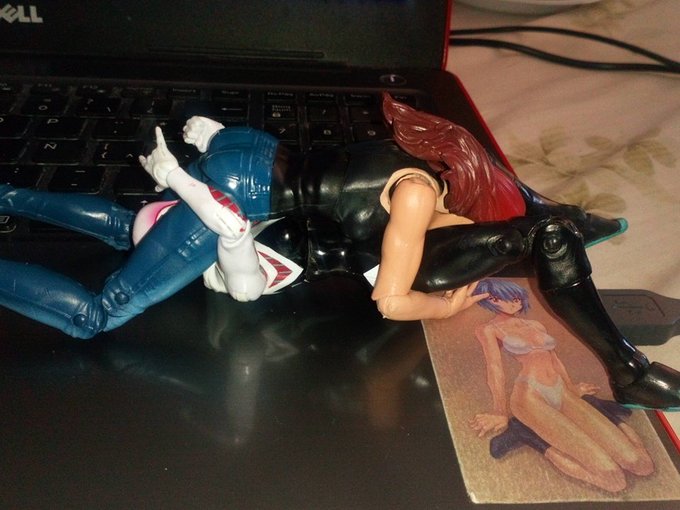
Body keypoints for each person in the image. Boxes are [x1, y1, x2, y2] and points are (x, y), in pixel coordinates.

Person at [0, 94, 678, 410]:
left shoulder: (422, 147)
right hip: (238, 190)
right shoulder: (416, 197)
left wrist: (550, 223)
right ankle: (628, 372)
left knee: (128, 227)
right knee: (98, 314)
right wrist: (443, 308)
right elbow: (391, 300)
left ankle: (8, 193)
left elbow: (499, 199)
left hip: (253, 151)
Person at [469, 279, 654, 493]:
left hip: (561, 390)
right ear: (489, 301)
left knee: (642, 465)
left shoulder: (535, 325)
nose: (512, 302)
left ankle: (598, 407)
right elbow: (495, 369)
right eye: (499, 298)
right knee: (614, 481)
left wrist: (572, 388)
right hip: (530, 395)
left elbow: (555, 360)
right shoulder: (489, 329)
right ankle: (529, 436)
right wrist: (500, 411)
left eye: (515, 297)